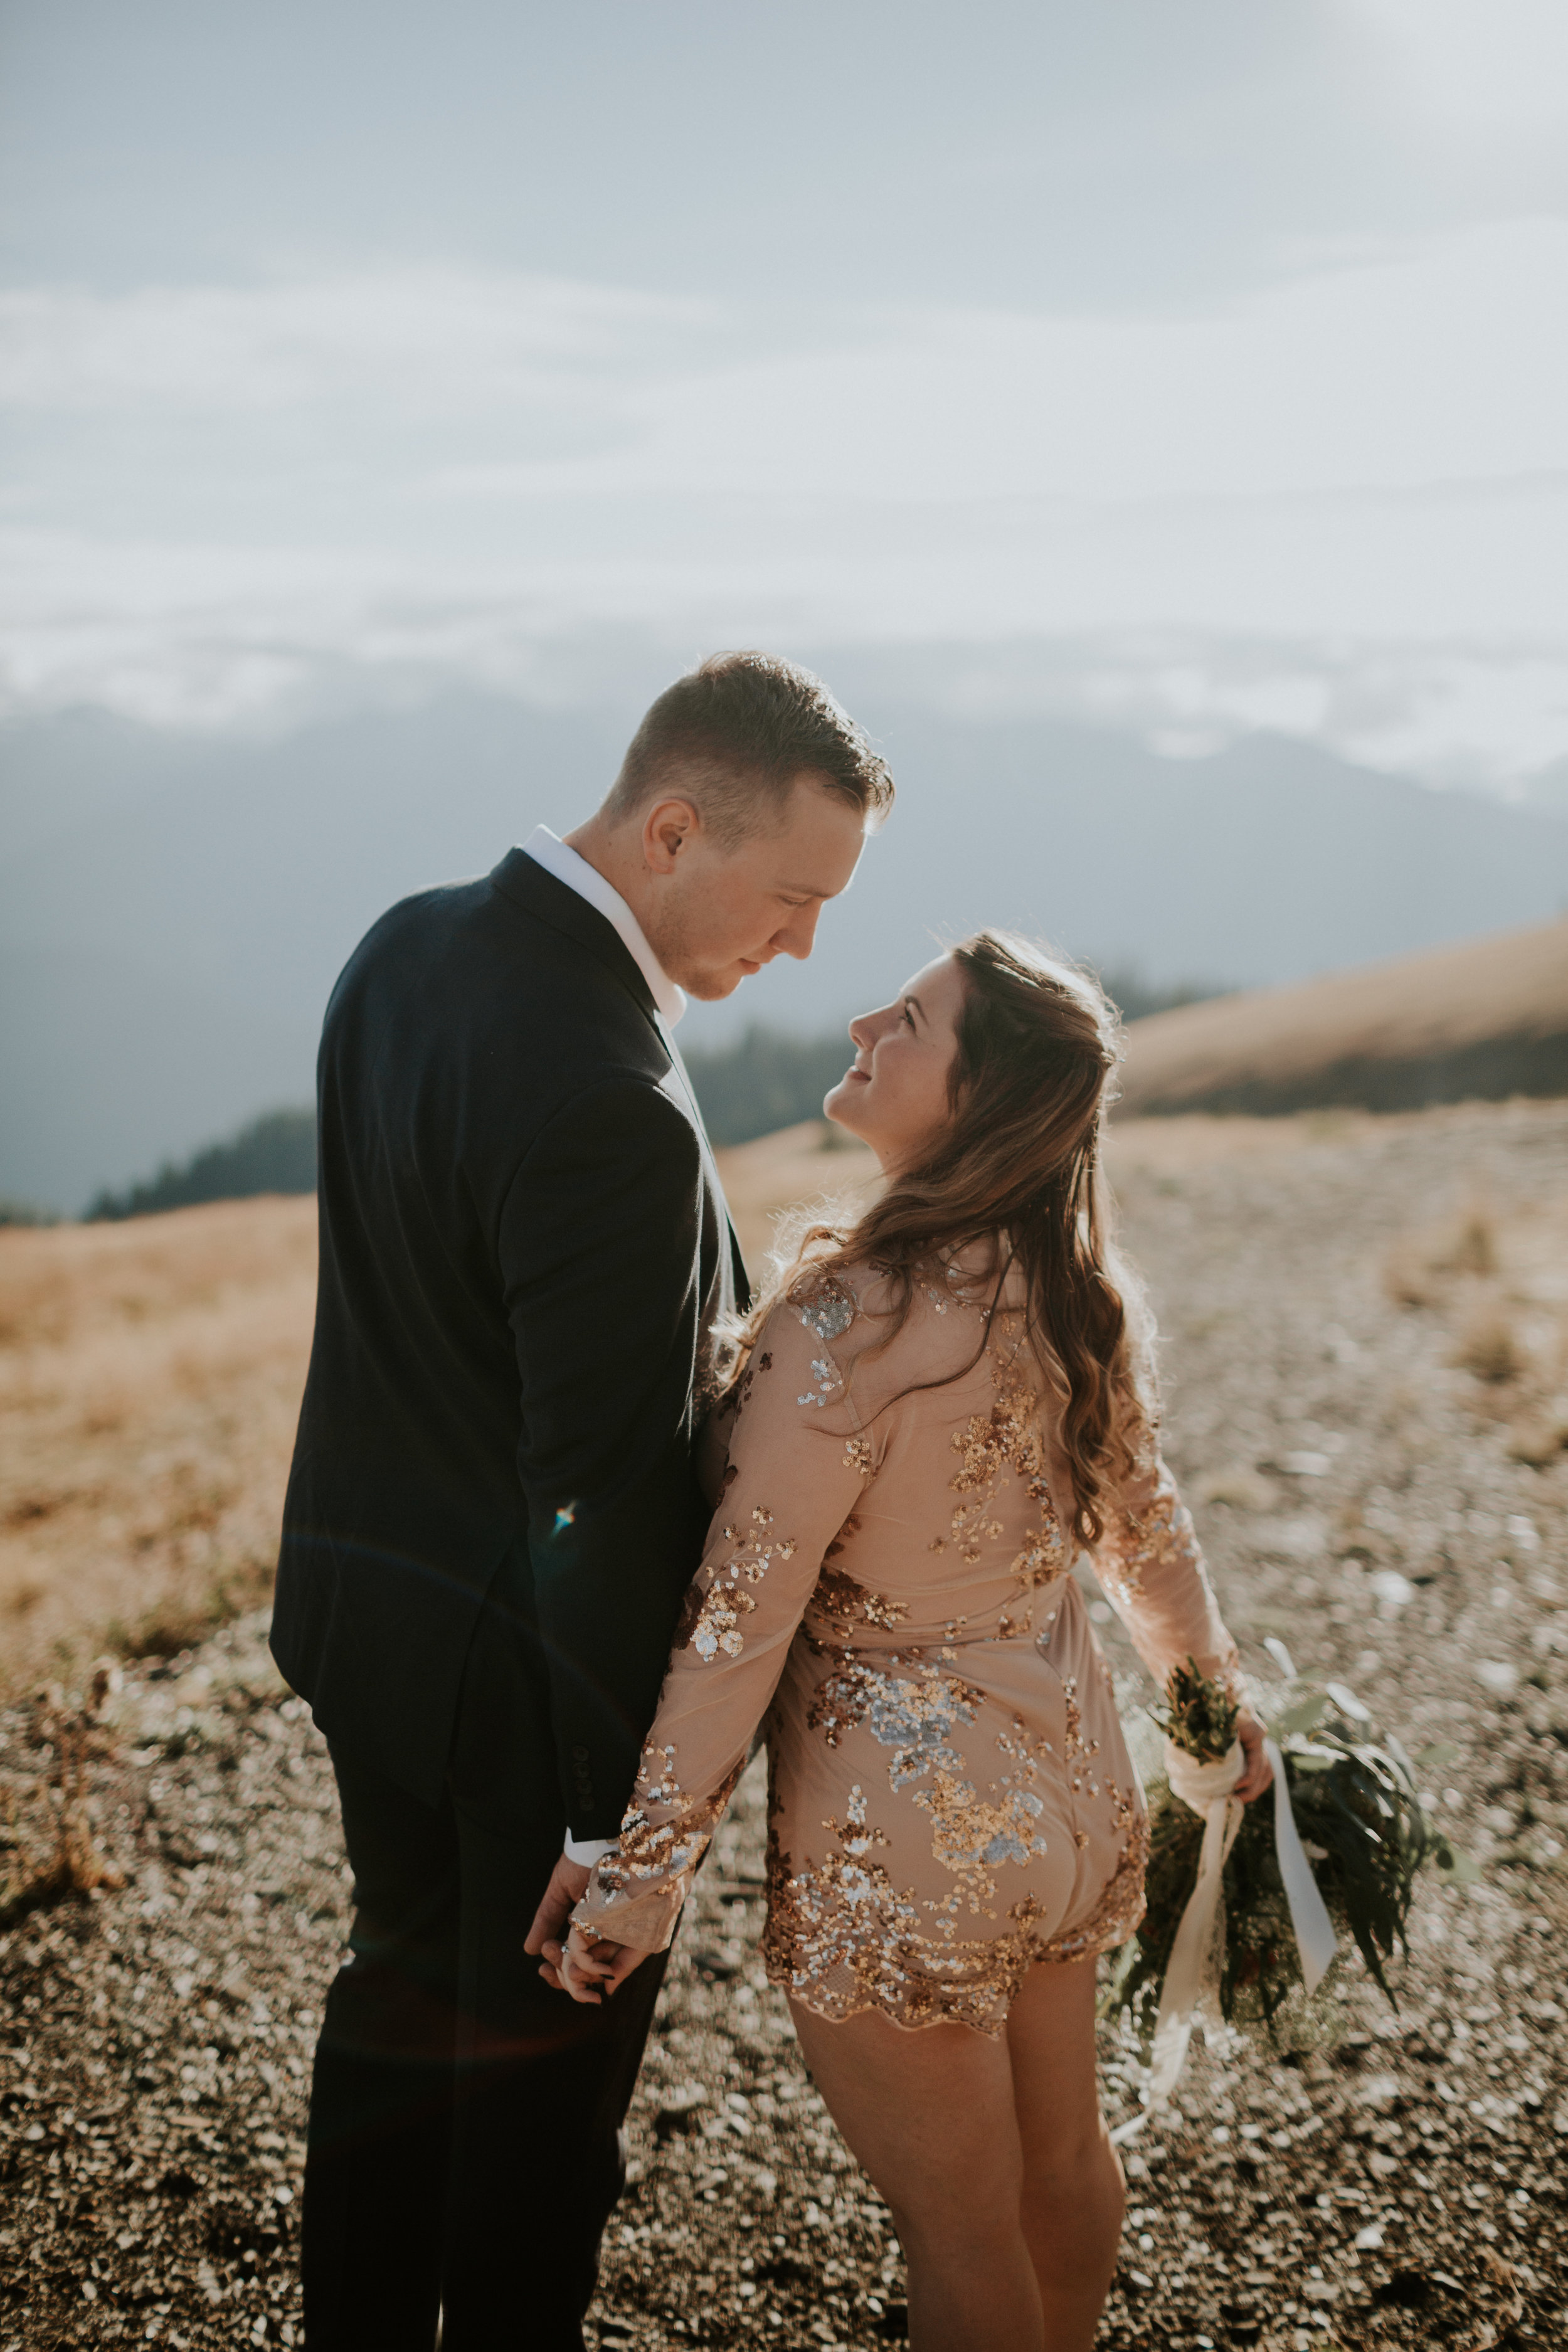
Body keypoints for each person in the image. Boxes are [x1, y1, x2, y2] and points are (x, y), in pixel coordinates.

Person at [268, 650, 893, 2352]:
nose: (804, 946)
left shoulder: (400, 943)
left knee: (390, 2014)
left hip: (358, 1618)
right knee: (538, 2121)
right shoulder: (607, 1096)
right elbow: (595, 1497)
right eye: (789, 896)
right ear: (674, 826)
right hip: (516, 1696)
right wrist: (607, 1824)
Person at [556, 932, 1273, 2352]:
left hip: (903, 1853)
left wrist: (638, 1879)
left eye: (913, 1017)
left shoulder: (843, 1324)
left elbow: (737, 1622)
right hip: (1068, 1806)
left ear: (977, 1098)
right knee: (1062, 2172)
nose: (864, 1019)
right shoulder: (1074, 1296)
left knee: (957, 2232)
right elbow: (1151, 1539)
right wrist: (1210, 1726)